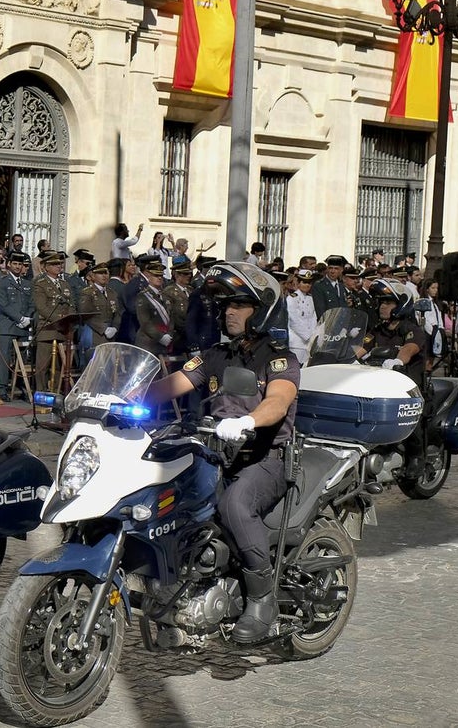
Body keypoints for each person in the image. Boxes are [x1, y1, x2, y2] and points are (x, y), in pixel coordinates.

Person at [145, 261, 299, 643]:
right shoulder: (215, 354)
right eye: (226, 305)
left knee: (234, 505)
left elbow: (279, 402)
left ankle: (263, 600)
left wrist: (248, 422)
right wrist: (119, 398)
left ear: (260, 310)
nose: (229, 311)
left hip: (264, 457)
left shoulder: (278, 356)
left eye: (239, 304)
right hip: (215, 453)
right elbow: (172, 384)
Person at [32, 251, 75, 392]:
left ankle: (55, 391)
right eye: (55, 264)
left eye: (60, 264)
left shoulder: (65, 284)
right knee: (43, 365)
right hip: (47, 328)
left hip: (63, 330)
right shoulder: (40, 284)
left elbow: (71, 304)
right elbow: (41, 307)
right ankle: (41, 392)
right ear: (46, 267)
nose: (59, 266)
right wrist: (59, 318)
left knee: (57, 366)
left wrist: (70, 318)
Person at [0, 250, 34, 400]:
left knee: (22, 360)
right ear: (9, 265)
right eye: (15, 264)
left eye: (20, 264)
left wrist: (27, 317)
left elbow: (31, 303)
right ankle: (1, 389)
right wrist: (19, 318)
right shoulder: (2, 282)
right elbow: (3, 304)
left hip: (23, 326)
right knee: (3, 359)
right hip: (8, 326)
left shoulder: (27, 284)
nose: (17, 267)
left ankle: (21, 387)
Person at [134, 257, 173, 358]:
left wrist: (169, 334)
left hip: (165, 341)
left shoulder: (165, 295)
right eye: (156, 275)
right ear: (149, 276)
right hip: (148, 342)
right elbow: (145, 322)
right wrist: (160, 336)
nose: (159, 278)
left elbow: (171, 317)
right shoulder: (143, 296)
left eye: (161, 275)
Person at [79, 260, 122, 348]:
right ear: (93, 276)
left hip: (111, 335)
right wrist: (103, 328)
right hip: (94, 334)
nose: (104, 276)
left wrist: (115, 327)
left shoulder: (112, 293)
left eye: (106, 273)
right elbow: (85, 314)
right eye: (100, 273)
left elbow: (118, 313)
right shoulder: (88, 293)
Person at [286, 268, 318, 365]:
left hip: (309, 342)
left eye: (309, 282)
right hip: (297, 342)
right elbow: (293, 320)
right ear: (298, 283)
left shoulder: (310, 298)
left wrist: (313, 335)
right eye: (304, 282)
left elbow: (313, 317)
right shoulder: (292, 298)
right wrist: (307, 335)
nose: (307, 285)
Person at [311, 255, 348, 319]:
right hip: (328, 324)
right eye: (330, 268)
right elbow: (320, 310)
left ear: (341, 270)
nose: (332, 271)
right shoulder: (319, 285)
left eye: (336, 268)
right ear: (327, 269)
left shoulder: (341, 286)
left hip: (341, 324)